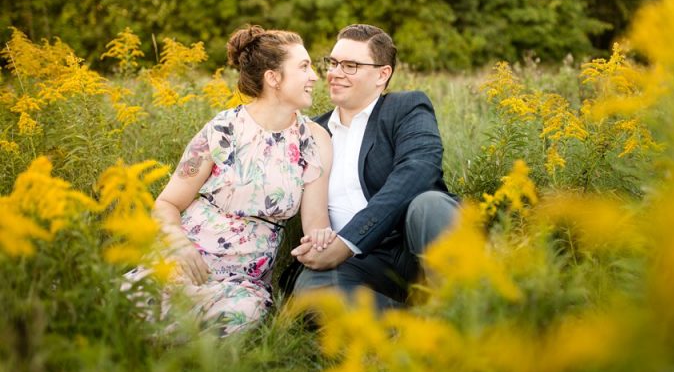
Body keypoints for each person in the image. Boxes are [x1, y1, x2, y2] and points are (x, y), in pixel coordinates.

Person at [123, 25, 335, 336]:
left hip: (242, 281)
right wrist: (178, 244)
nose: (314, 75)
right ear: (273, 78)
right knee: (124, 312)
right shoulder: (223, 129)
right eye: (303, 67)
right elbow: (168, 202)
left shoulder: (314, 140)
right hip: (187, 258)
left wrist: (320, 242)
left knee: (234, 320)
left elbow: (315, 221)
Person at [289, 24, 458, 310]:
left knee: (430, 203)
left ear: (383, 74)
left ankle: (463, 309)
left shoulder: (406, 108)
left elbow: (419, 169)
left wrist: (349, 240)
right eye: (333, 63)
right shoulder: (312, 131)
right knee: (309, 291)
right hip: (361, 266)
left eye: (351, 65)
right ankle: (421, 328)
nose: (335, 73)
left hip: (413, 247)